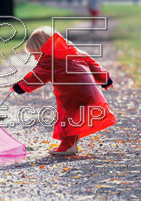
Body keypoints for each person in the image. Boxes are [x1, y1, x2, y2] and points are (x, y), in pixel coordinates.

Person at [10, 27, 115, 155]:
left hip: (73, 94)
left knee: (67, 118)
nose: (34, 59)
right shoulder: (73, 51)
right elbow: (92, 63)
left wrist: (20, 87)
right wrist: (105, 79)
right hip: (90, 92)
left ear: (42, 50)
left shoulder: (50, 59)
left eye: (34, 55)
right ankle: (72, 146)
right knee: (75, 120)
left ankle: (67, 147)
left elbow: (36, 76)